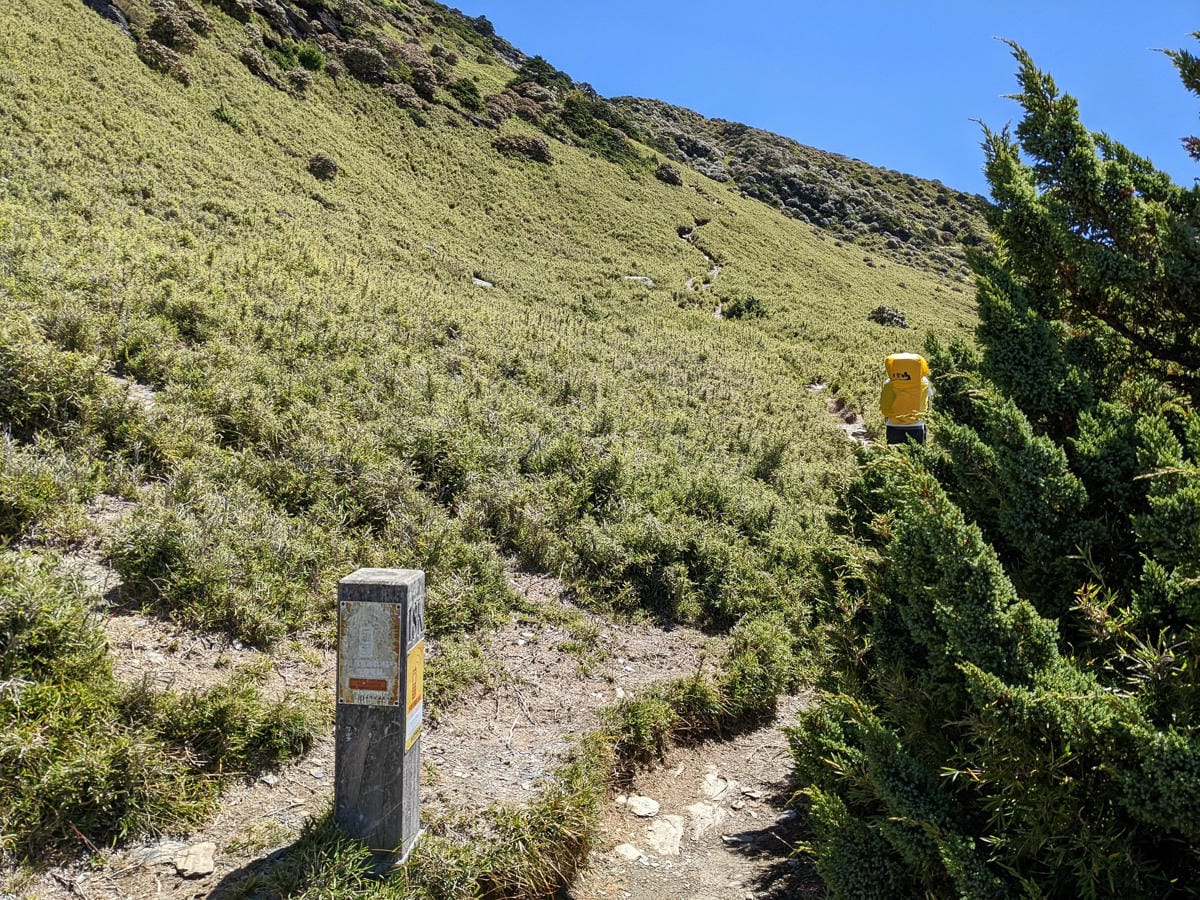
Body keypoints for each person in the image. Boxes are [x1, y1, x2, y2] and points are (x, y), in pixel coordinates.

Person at [879, 353, 933, 445]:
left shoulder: (889, 382)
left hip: (893, 425)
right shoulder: (924, 382)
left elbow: (885, 403)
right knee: (916, 457)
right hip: (916, 425)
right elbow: (929, 402)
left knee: (894, 457)